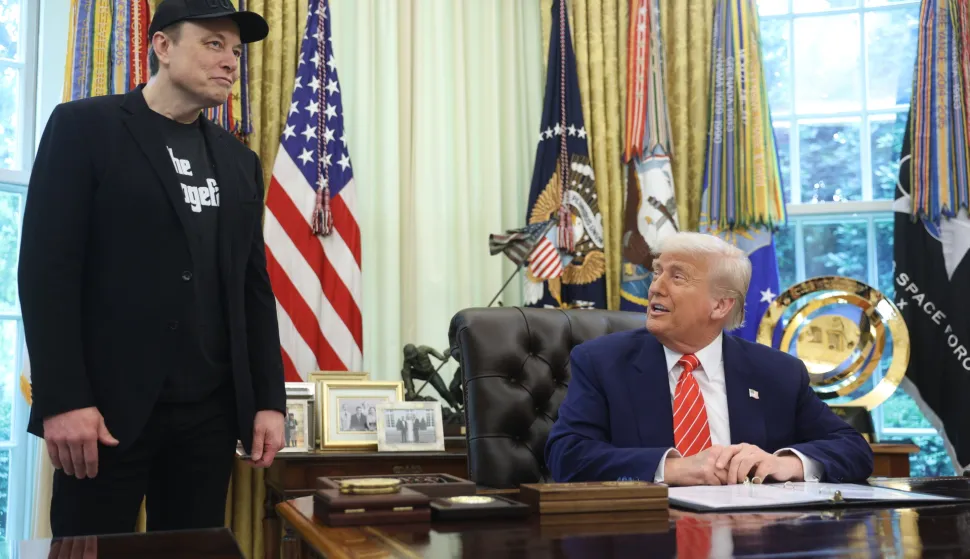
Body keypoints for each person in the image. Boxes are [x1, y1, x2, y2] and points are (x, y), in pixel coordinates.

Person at [19, 0, 285, 537]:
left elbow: (252, 288)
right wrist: (64, 399)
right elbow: (47, 272)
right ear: (161, 46)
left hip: (209, 417)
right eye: (213, 44)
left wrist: (268, 402)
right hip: (104, 415)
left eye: (236, 50)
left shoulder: (239, 162)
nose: (231, 61)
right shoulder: (84, 128)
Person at [545, 232, 874, 486]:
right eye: (657, 273)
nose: (655, 287)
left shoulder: (777, 372)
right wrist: (674, 468)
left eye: (677, 276)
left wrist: (786, 463)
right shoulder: (602, 362)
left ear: (720, 306)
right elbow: (567, 456)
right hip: (646, 535)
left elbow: (852, 448)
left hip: (754, 538)